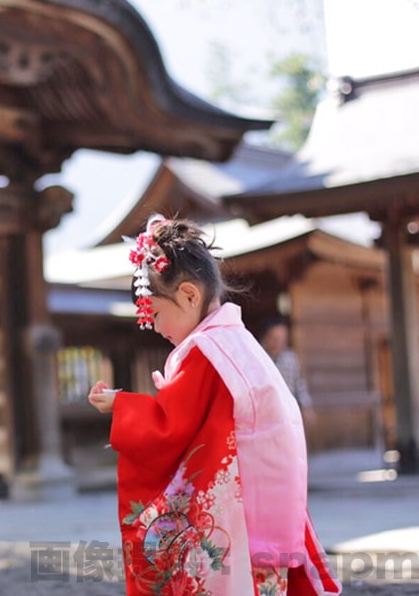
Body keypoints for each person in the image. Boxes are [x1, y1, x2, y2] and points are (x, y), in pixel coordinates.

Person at [88, 215, 341, 595]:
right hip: (266, 503)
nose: (155, 327)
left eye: (153, 314)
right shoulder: (237, 342)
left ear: (189, 295)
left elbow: (170, 425)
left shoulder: (206, 352)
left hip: (236, 514)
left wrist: (121, 405)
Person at [260, 317, 316, 423]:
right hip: (265, 414)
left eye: (282, 340)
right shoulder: (256, 357)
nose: (279, 343)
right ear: (265, 338)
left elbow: (299, 384)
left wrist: (306, 406)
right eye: (275, 339)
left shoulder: (291, 358)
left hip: (288, 412)